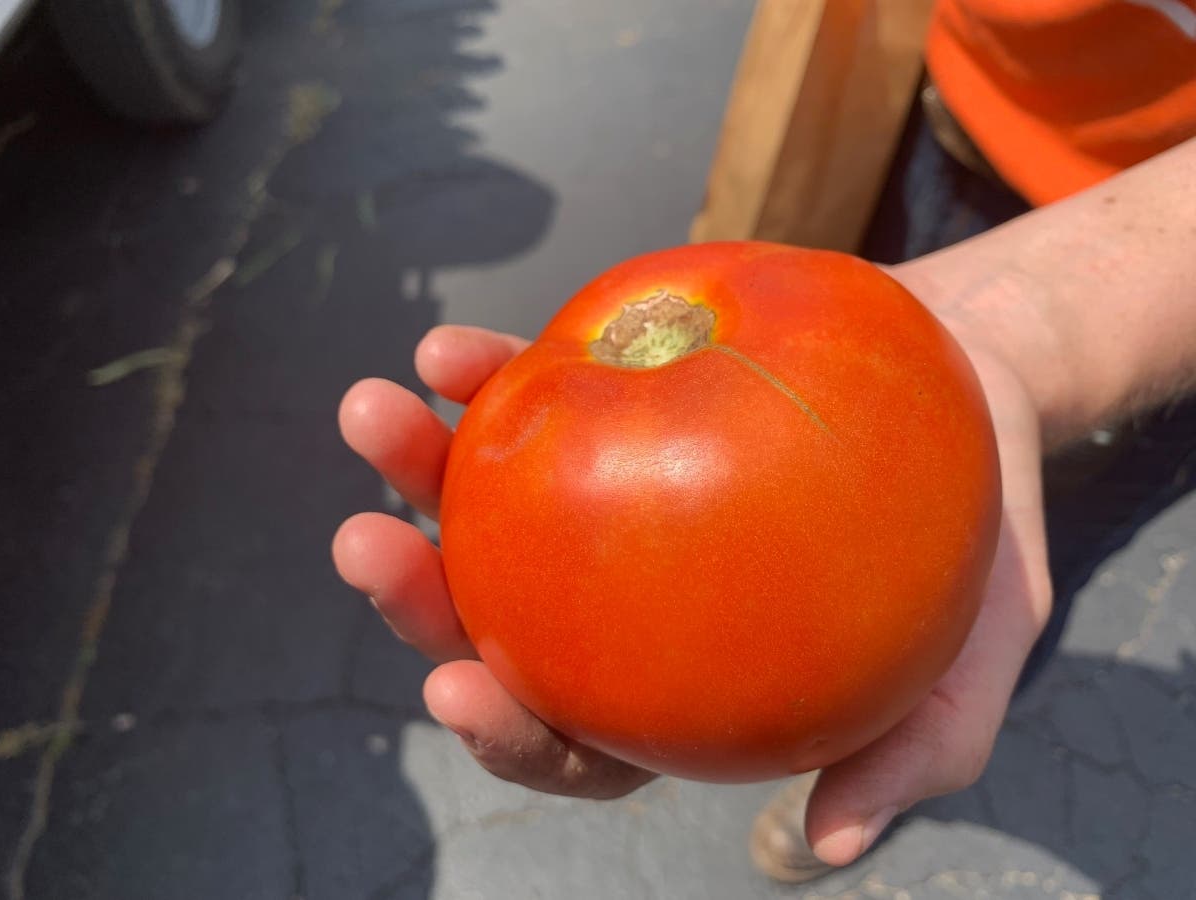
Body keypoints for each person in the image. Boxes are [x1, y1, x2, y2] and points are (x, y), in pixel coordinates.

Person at [333, 0, 1196, 883]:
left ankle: (892, 726)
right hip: (952, 108)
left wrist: (1071, 310)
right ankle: (864, 729)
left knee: (1040, 547)